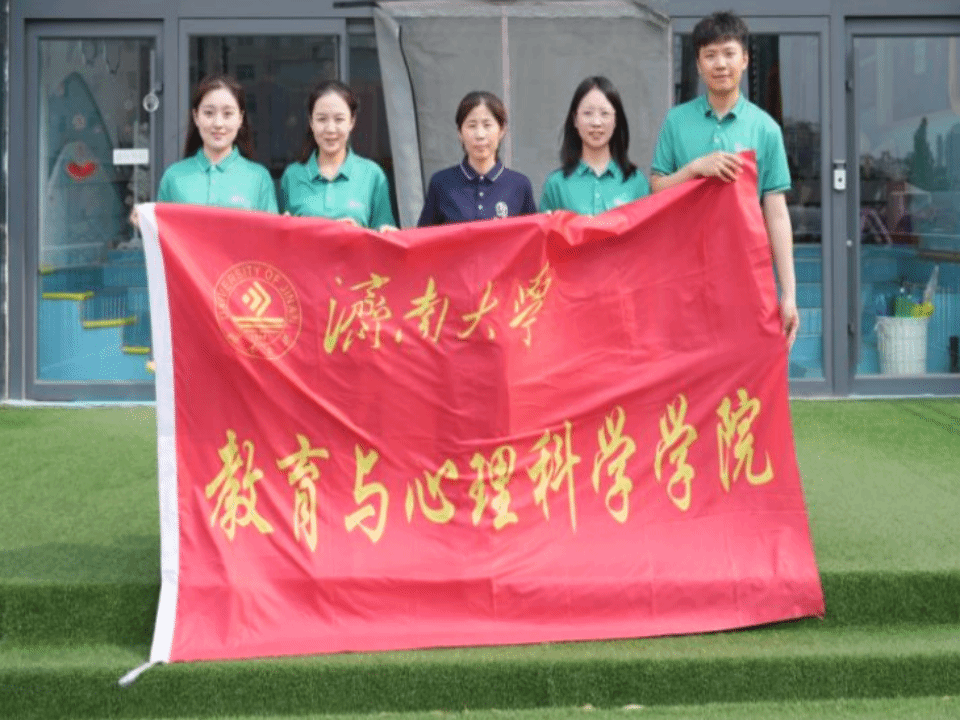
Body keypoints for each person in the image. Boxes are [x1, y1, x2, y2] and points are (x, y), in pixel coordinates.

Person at [649, 11, 799, 348]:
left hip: (745, 274)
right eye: (710, 55)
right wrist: (693, 169)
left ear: (745, 59)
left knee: (745, 367)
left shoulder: (765, 129)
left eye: (729, 53)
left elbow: (776, 213)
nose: (720, 64)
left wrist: (788, 293)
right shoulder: (676, 121)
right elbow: (656, 190)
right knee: (687, 368)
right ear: (699, 64)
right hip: (683, 274)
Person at [279, 80, 396, 231]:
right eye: (321, 119)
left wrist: (358, 232)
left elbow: (385, 234)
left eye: (339, 119)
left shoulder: (372, 175)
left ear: (352, 121)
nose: (330, 129)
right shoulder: (292, 175)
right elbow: (280, 236)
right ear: (311, 122)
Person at [156, 74, 277, 213]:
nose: (218, 123)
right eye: (209, 113)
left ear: (240, 118)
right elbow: (159, 225)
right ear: (196, 117)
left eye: (227, 114)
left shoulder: (259, 178)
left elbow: (270, 227)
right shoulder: (173, 176)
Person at [418, 91, 537, 226]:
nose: (480, 135)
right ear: (459, 133)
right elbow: (423, 236)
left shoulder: (519, 185)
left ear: (502, 130)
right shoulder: (441, 183)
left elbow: (532, 235)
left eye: (487, 125)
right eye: (472, 125)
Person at [540, 76, 650, 214]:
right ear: (575, 120)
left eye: (604, 113)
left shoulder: (636, 182)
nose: (596, 122)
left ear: (616, 120)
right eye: (588, 113)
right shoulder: (556, 185)